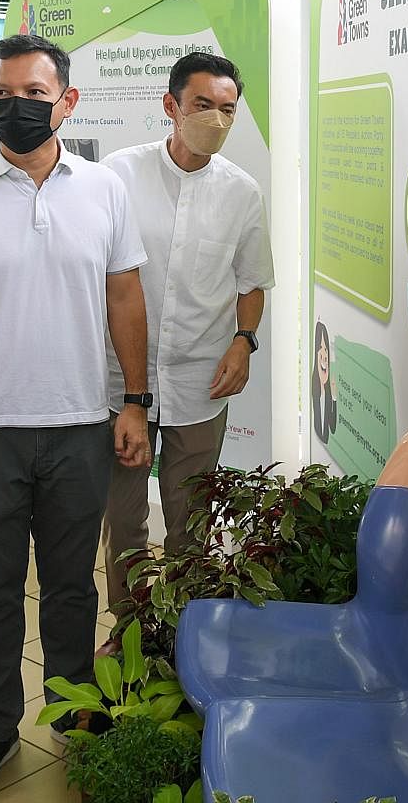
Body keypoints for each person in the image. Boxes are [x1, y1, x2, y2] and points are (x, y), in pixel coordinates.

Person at [0, 34, 152, 800]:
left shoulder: (105, 191)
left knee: (73, 586)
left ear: (66, 102)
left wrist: (135, 403)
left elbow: (124, 301)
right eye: (0, 95)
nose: (15, 107)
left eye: (34, 95)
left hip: (80, 424)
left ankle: (74, 711)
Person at [100, 53, 273, 609]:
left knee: (191, 521)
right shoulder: (119, 175)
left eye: (228, 109)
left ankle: (181, 630)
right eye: (203, 105)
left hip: (201, 381)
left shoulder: (242, 192)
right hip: (120, 380)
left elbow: (252, 282)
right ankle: (128, 627)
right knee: (123, 521)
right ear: (171, 106)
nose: (216, 120)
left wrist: (244, 342)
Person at [312, 320, 337, 444]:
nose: (324, 355)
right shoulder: (314, 394)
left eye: (326, 349)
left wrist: (334, 398)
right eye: (320, 348)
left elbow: (332, 427)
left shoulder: (328, 396)